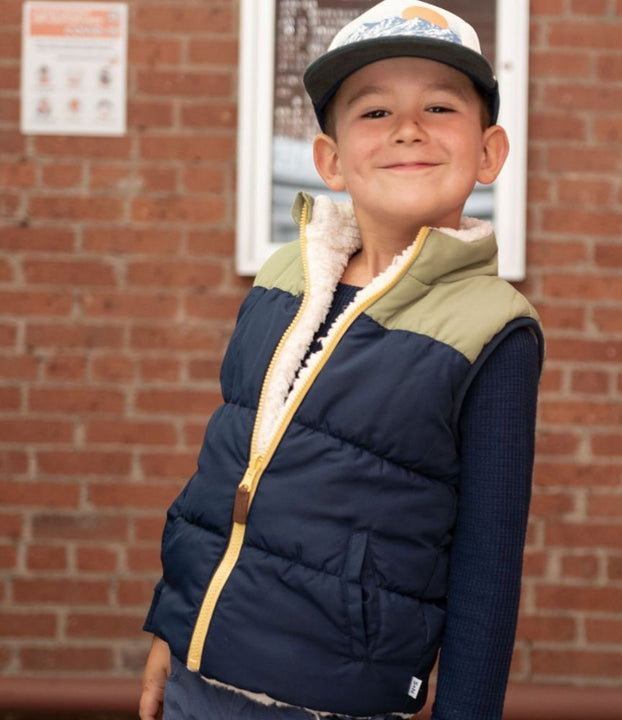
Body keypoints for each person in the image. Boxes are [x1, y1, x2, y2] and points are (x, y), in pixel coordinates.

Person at [139, 2, 543, 719]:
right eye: (375, 112)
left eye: (441, 106)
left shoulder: (495, 329)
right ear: (329, 158)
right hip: (200, 682)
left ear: (489, 151)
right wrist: (173, 629)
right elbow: (223, 474)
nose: (408, 129)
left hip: (342, 701)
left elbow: (488, 563)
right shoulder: (281, 278)